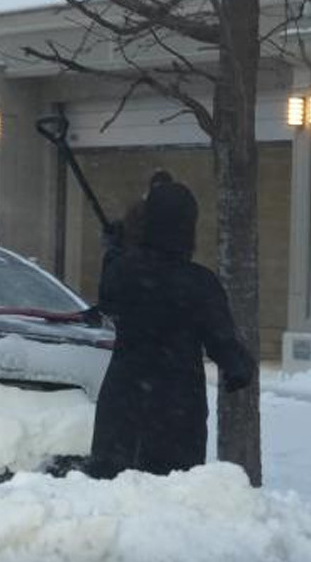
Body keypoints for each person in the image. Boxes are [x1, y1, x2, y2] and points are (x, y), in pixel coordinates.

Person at [87, 174, 256, 478]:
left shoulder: (123, 270)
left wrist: (116, 247)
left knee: (111, 487)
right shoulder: (200, 282)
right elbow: (221, 338)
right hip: (177, 402)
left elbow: (109, 301)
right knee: (172, 490)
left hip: (124, 395)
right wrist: (237, 366)